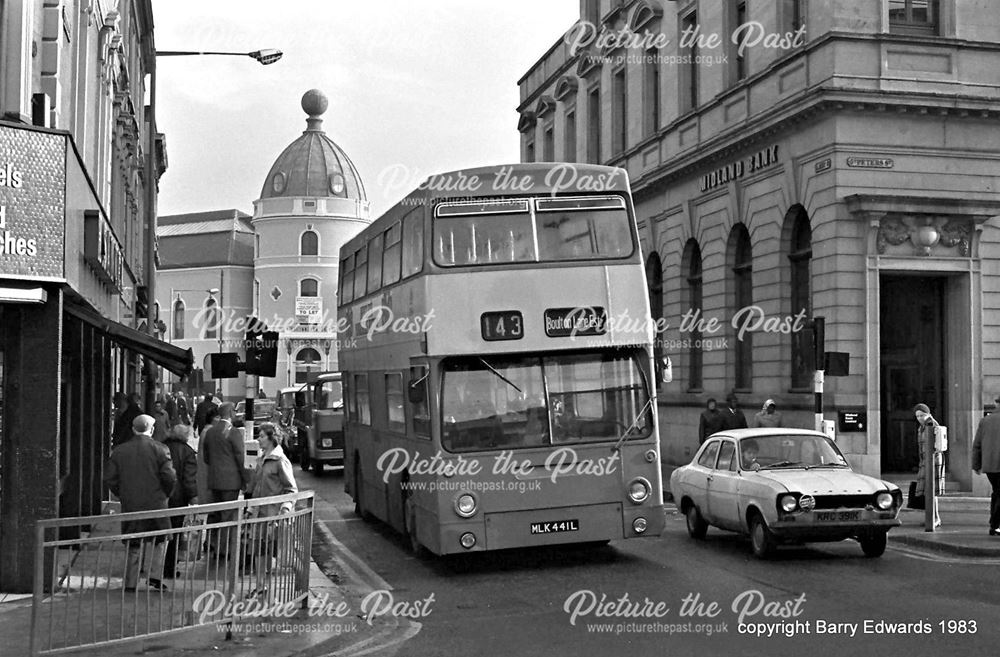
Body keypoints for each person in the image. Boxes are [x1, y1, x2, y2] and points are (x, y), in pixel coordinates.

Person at [104, 415, 176, 591]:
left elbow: (111, 478)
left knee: (133, 541)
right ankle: (155, 576)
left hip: (131, 502)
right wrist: (165, 494)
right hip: (156, 502)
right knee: (161, 539)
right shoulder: (161, 449)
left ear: (133, 429)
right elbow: (169, 476)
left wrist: (123, 494)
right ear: (151, 430)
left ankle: (130, 582)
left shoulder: (120, 451)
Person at [246, 422, 299, 595]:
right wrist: (250, 509)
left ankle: (288, 588)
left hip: (273, 514)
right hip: (259, 513)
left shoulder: (280, 461)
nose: (258, 439)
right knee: (258, 550)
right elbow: (256, 488)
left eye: (261, 436)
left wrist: (285, 509)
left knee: (275, 552)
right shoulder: (261, 459)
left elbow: (291, 489)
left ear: (271, 439)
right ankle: (260, 586)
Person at [202, 402, 249, 557]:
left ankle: (213, 545)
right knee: (227, 516)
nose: (236, 413)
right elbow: (240, 457)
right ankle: (223, 551)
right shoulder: (233, 432)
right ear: (230, 412)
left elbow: (206, 457)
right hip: (231, 481)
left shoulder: (210, 432)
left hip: (215, 480)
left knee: (216, 514)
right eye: (234, 411)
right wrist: (245, 479)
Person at [161, 424, 199, 576]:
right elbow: (189, 478)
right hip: (178, 498)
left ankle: (153, 566)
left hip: (162, 496)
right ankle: (169, 567)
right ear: (185, 436)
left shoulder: (161, 447)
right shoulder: (188, 452)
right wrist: (193, 496)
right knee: (175, 533)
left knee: (159, 531)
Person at [972, 397, 1000, 536]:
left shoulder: (985, 420)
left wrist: (976, 464)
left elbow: (977, 445)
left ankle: (994, 525)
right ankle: (995, 524)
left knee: (996, 493)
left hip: (990, 466)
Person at [913, 403, 942, 529]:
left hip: (932, 461)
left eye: (922, 415)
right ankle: (932, 517)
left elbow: (937, 445)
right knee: (927, 491)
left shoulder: (932, 425)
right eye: (918, 416)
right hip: (925, 461)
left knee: (932, 491)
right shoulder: (922, 427)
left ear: (928, 414)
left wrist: (931, 460)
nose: (920, 418)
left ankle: (934, 518)